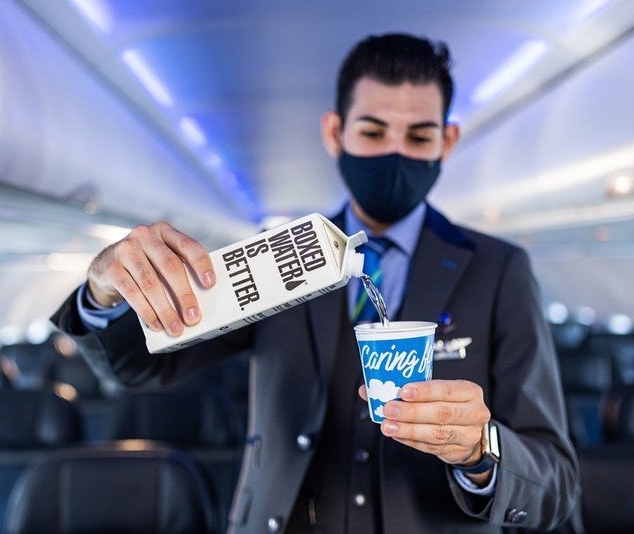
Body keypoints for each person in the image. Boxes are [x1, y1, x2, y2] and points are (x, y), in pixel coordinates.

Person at [52, 33, 581, 533]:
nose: (395, 153)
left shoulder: (497, 270)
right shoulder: (274, 258)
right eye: (373, 132)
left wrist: (480, 449)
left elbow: (555, 479)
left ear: (447, 140)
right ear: (335, 133)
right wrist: (105, 290)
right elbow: (143, 365)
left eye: (419, 136)